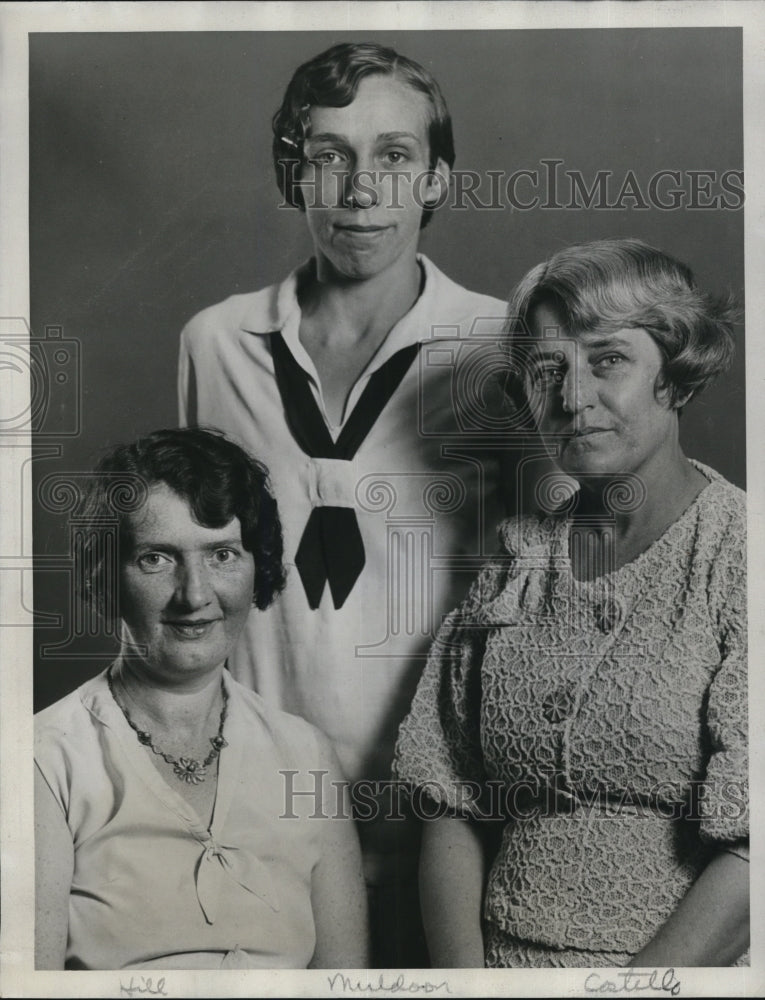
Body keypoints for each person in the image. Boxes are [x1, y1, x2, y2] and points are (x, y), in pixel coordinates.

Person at [178, 42, 508, 964]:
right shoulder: (215, 343)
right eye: (329, 155)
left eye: (394, 156)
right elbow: (202, 574)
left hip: (450, 826)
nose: (361, 188)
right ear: (295, 172)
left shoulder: (501, 347)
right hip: (258, 813)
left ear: (436, 176)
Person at [394, 238, 749, 967]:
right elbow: (447, 798)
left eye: (607, 359)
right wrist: (468, 988)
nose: (572, 396)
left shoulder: (742, 555)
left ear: (675, 375)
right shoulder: (516, 558)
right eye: (547, 368)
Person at [34, 428, 368, 971]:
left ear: (255, 566)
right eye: (156, 559)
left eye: (222, 554)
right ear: (106, 575)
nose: (194, 595)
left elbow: (345, 980)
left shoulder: (307, 756)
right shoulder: (42, 761)